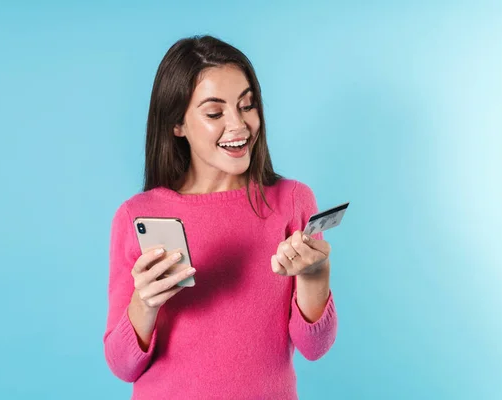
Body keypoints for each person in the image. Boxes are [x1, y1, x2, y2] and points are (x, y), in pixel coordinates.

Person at [103, 35, 338, 400]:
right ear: (176, 124)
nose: (239, 125)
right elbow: (122, 366)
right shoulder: (138, 215)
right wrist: (144, 304)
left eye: (247, 106)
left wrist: (315, 274)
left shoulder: (291, 201)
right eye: (215, 113)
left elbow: (314, 346)